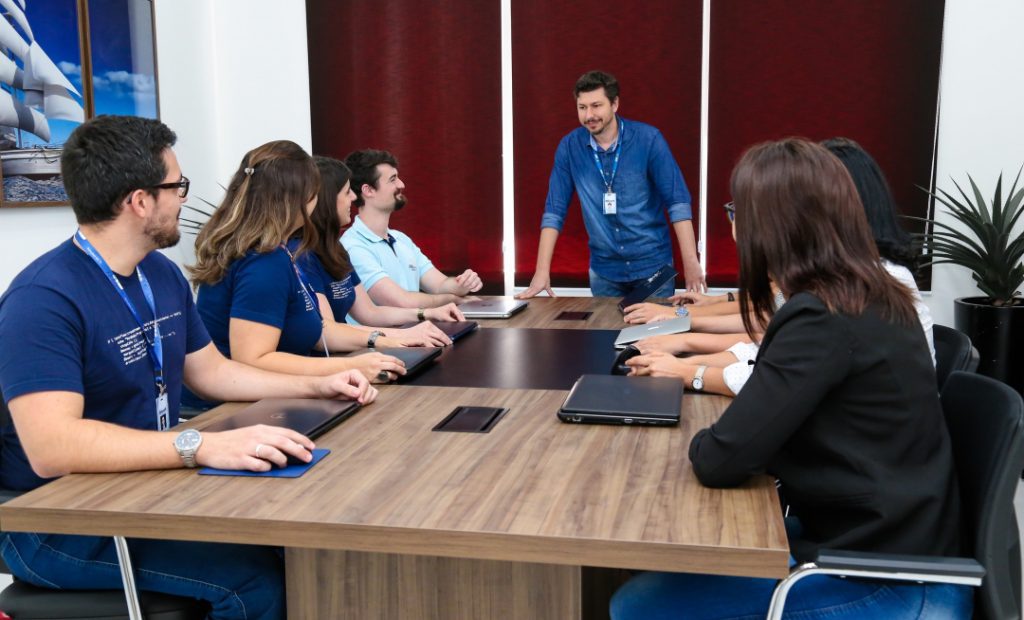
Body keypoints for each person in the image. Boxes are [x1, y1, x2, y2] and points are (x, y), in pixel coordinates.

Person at [0, 115, 378, 620]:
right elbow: (52, 448)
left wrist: (319, 381)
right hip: (54, 519)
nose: (183, 196)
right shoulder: (43, 300)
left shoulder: (158, 273)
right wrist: (199, 443)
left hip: (138, 487)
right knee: (254, 584)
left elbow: (214, 374)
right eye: (176, 186)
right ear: (139, 201)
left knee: (297, 543)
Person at [611, 138, 969, 619]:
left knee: (637, 607)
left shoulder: (824, 315)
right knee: (662, 574)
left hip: (891, 580)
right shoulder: (870, 294)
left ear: (774, 226)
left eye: (740, 212)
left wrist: (699, 437)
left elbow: (721, 459)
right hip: (889, 543)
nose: (735, 226)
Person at [190, 141, 418, 393]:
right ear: (299, 197)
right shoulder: (263, 262)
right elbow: (254, 360)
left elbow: (318, 330)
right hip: (236, 407)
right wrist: (347, 367)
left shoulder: (281, 251)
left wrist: (387, 339)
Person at [517, 70, 703, 299]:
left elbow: (677, 202)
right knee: (606, 335)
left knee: (654, 335)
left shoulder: (648, 139)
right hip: (604, 273)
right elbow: (554, 211)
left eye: (596, 105)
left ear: (615, 104)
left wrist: (691, 264)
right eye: (582, 107)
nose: (589, 115)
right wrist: (541, 272)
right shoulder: (569, 147)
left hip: (653, 269)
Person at [305, 156, 467, 331]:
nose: (353, 197)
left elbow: (370, 312)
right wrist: (454, 300)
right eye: (346, 192)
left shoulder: (338, 250)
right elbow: (329, 332)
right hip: (361, 351)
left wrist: (427, 312)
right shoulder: (346, 247)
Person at [341, 149, 482, 309]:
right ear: (368, 190)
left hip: (416, 331)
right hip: (385, 334)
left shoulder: (401, 239)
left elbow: (440, 284)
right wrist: (453, 299)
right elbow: (402, 302)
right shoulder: (352, 247)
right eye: (393, 179)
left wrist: (462, 284)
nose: (401, 184)